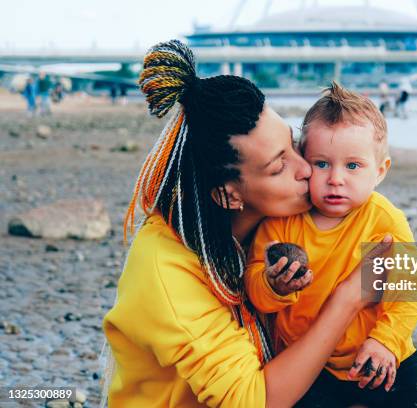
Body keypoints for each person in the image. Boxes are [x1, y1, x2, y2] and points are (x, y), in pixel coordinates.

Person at [101, 40, 392, 407]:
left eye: (294, 145)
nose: (305, 170)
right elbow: (254, 401)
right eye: (278, 166)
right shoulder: (165, 271)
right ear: (228, 196)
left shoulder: (276, 221)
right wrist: (349, 298)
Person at [245, 82, 417, 408]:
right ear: (303, 161)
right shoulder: (282, 221)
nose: (336, 178)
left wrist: (386, 341)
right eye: (321, 164)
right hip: (308, 362)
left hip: (379, 354)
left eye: (352, 166)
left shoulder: (384, 220)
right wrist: (273, 285)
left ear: (379, 171)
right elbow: (254, 284)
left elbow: (409, 290)